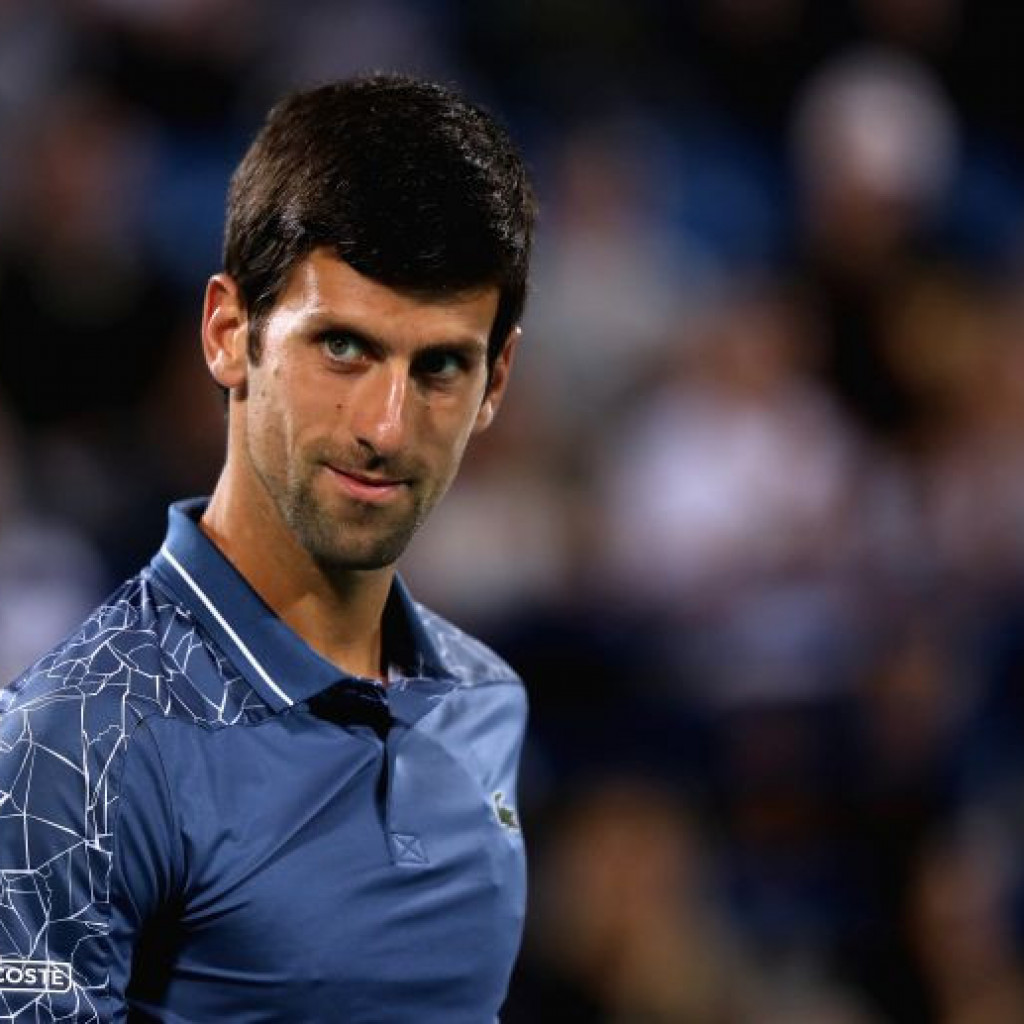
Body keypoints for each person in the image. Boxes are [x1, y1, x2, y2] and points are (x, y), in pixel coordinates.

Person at [0, 73, 536, 1023]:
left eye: (441, 366)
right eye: (343, 347)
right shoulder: (74, 745)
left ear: (496, 382)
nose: (385, 426)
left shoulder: (487, 699)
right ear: (227, 332)